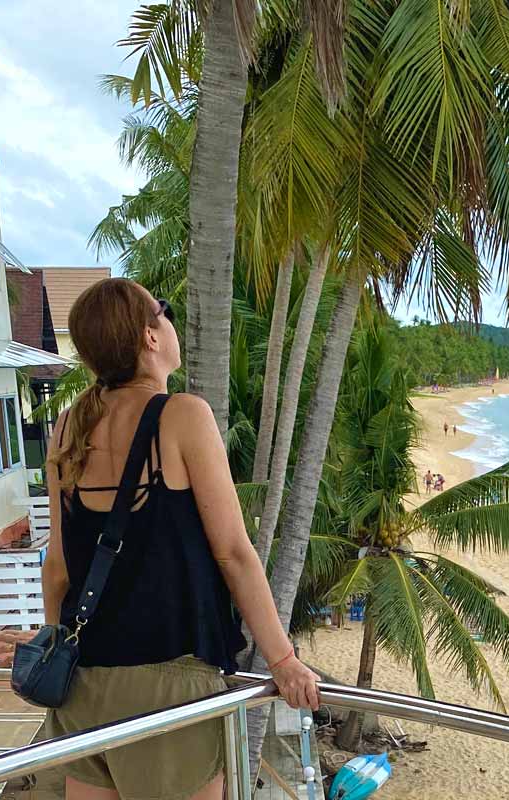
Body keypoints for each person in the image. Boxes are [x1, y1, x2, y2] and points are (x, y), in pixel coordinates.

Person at [40, 279, 319, 800]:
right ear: (149, 337)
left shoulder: (67, 427)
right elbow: (233, 553)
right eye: (162, 313)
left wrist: (56, 650)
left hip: (85, 685)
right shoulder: (182, 416)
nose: (170, 322)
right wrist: (282, 660)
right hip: (168, 687)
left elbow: (57, 568)